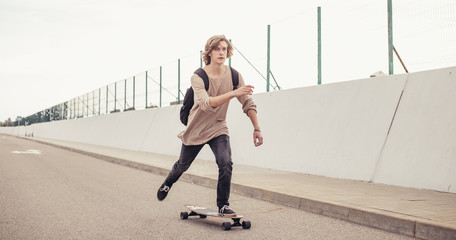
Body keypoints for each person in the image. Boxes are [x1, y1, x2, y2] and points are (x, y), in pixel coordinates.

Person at [157, 35, 263, 215]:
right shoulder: (198, 76)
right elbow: (206, 104)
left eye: (224, 49)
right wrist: (233, 93)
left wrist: (257, 128)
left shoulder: (235, 76)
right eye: (217, 49)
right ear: (209, 52)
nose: (221, 52)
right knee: (182, 165)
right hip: (196, 128)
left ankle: (223, 204)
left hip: (218, 127)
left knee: (226, 162)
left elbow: (248, 103)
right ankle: (168, 182)